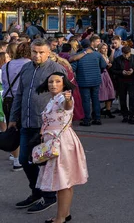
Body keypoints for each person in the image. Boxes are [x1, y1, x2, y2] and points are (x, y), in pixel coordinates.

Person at [9, 39, 66, 214]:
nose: (37, 55)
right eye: (34, 51)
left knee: (44, 163)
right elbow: (20, 94)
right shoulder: (26, 68)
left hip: (46, 127)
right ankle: (36, 192)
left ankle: (49, 197)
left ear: (48, 53)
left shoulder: (56, 69)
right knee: (25, 159)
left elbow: (65, 97)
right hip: (26, 123)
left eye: (41, 52)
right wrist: (13, 117)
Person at [36, 73, 88, 223]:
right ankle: (65, 214)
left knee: (63, 181)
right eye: (50, 81)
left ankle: (60, 219)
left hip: (61, 142)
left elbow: (68, 105)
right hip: (54, 141)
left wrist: (67, 99)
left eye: (57, 81)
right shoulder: (53, 99)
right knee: (65, 180)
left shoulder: (64, 98)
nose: (53, 84)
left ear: (64, 84)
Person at [2, 42, 31, 171]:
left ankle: (15, 157)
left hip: (8, 99)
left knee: (12, 128)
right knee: (25, 129)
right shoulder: (29, 65)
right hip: (22, 100)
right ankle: (22, 158)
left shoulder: (6, 65)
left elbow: (4, 82)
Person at [70, 39, 107, 126]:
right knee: (95, 99)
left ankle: (87, 119)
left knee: (85, 101)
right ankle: (97, 118)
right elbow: (103, 65)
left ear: (81, 46)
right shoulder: (97, 55)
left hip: (83, 81)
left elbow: (73, 68)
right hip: (95, 80)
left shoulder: (78, 56)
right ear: (90, 44)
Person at [111, 46, 134, 125]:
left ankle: (131, 116)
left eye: (127, 54)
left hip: (132, 81)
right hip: (121, 81)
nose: (126, 56)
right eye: (124, 54)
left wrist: (133, 71)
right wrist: (122, 72)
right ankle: (125, 115)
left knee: (132, 98)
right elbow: (113, 70)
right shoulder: (118, 59)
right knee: (122, 99)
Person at [97, 43, 116, 119]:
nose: (105, 50)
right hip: (101, 74)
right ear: (100, 49)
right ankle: (97, 111)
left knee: (109, 91)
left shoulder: (105, 55)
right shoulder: (98, 56)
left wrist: (112, 52)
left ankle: (108, 110)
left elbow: (110, 60)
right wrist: (107, 65)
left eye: (106, 48)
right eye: (103, 48)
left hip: (107, 74)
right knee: (101, 92)